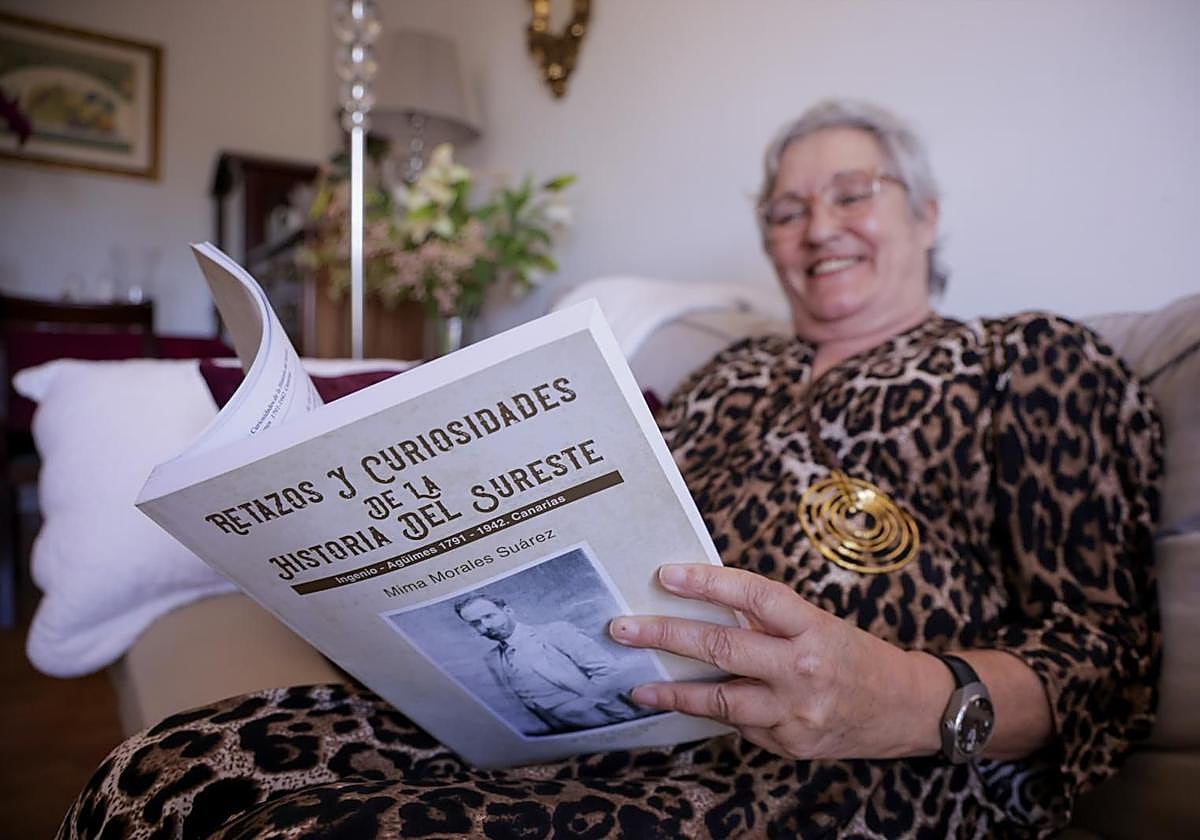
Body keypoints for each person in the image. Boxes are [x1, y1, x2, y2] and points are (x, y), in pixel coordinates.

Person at [61, 100, 1162, 839]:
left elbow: (1102, 657)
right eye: (785, 209)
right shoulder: (730, 373)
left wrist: (906, 698)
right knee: (178, 765)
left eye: (851, 194)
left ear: (924, 214)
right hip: (610, 726)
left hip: (854, 775)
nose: (815, 226)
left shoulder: (1030, 360)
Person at [454, 594, 643, 732]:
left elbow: (608, 670)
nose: (485, 626)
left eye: (489, 616)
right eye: (476, 623)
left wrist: (586, 704)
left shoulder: (556, 632)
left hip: (603, 717)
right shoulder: (492, 659)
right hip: (556, 729)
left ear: (508, 611)